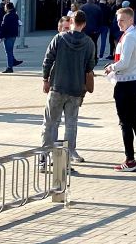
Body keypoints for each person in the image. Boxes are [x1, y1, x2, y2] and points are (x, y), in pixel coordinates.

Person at [40, 9, 97, 162]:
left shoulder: (59, 38)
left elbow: (47, 60)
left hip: (57, 86)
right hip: (76, 89)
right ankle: (69, 153)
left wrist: (45, 79)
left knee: (51, 123)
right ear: (84, 24)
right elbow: (90, 66)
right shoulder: (89, 43)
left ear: (71, 21)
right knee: (71, 124)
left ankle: (46, 154)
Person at [105, 6, 136, 171]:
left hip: (126, 83)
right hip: (135, 81)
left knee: (125, 122)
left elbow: (124, 62)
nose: (119, 23)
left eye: (122, 20)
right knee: (135, 120)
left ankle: (130, 160)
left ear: (131, 20)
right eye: (118, 20)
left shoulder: (130, 36)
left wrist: (111, 67)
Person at [0, 2, 22, 73]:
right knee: (10, 51)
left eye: (5, 7)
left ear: (7, 8)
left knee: (8, 52)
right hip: (13, 35)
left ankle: (9, 67)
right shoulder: (15, 15)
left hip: (7, 36)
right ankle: (10, 65)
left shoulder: (6, 16)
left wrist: (1, 36)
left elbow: (4, 27)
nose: (4, 8)